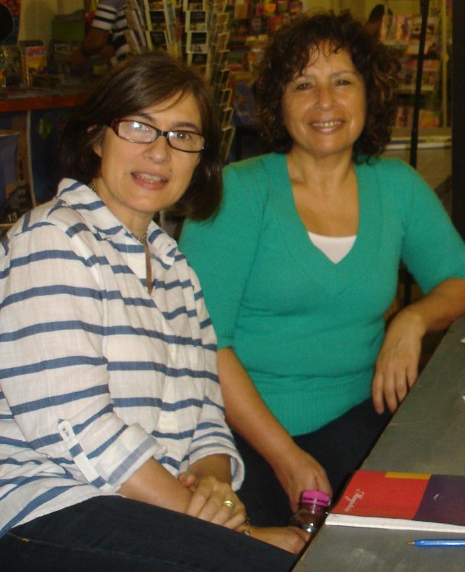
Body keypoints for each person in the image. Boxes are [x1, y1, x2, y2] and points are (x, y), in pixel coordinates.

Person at [0, 54, 304, 571]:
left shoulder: (173, 267)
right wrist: (234, 531)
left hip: (143, 509)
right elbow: (77, 428)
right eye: (140, 127)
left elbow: (206, 410)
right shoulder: (53, 239)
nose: (160, 153)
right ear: (97, 138)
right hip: (45, 509)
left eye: (182, 135)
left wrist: (213, 480)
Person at [179, 11, 465, 525]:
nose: (325, 102)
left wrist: (411, 321)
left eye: (343, 81)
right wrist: (286, 457)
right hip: (242, 433)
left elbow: (464, 279)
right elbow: (205, 344)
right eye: (304, 84)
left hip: (360, 416)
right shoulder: (236, 192)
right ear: (279, 101)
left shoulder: (396, 186)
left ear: (370, 94)